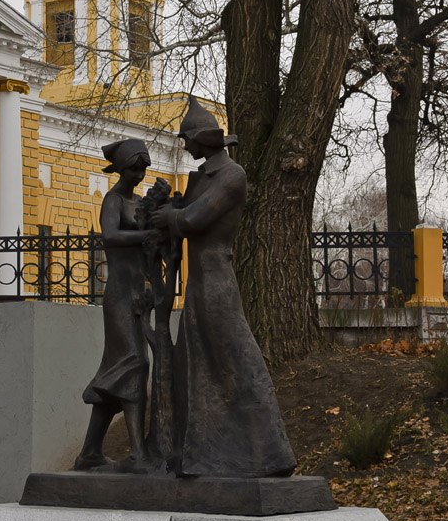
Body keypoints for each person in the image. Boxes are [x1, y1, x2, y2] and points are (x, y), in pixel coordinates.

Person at [153, 97, 296, 478]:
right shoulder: (201, 177)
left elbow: (195, 218)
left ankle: (270, 453)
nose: (185, 147)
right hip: (197, 282)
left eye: (187, 139)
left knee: (237, 360)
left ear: (201, 139)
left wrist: (171, 216)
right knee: (196, 365)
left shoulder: (233, 175)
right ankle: (201, 455)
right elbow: (185, 216)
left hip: (217, 279)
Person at [73, 138, 154, 471]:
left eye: (143, 169)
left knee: (119, 370)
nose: (140, 175)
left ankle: (89, 453)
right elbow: (110, 236)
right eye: (134, 169)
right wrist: (145, 235)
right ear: (121, 168)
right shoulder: (113, 200)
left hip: (139, 293)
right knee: (135, 364)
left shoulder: (141, 203)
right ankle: (137, 454)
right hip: (120, 294)